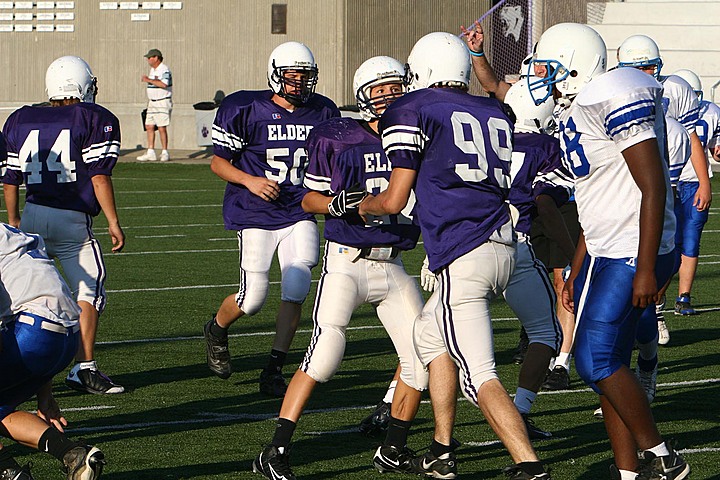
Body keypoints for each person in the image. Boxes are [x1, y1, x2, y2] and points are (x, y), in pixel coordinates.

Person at [361, 32, 551, 480]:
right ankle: (439, 449)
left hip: (463, 254)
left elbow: (393, 200)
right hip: (508, 243)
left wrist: (358, 204)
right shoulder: (494, 109)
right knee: (428, 339)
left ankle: (529, 466)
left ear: (422, 70)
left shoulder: (413, 109)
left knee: (479, 375)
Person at [252, 55, 428, 480]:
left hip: (394, 264)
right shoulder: (339, 137)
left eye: (395, 87)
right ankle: (275, 448)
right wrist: (343, 203)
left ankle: (392, 447)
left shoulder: (420, 138)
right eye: (379, 89)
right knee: (325, 356)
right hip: (347, 261)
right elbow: (310, 200)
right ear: (362, 95)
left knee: (422, 357)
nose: (388, 96)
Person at [530, 22, 689, 480]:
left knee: (593, 358)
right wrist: (578, 266)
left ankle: (662, 457)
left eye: (550, 67)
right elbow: (599, 196)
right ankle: (628, 472)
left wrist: (645, 268)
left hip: (631, 249)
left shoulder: (614, 91)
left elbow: (653, 185)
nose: (544, 76)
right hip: (608, 246)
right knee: (611, 365)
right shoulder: (581, 107)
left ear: (575, 66)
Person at [204, 41, 340, 397]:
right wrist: (250, 180)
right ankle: (217, 329)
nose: (299, 84)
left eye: (305, 76)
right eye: (292, 76)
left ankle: (274, 368)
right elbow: (218, 161)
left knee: (296, 287)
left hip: (299, 209)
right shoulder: (246, 107)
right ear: (275, 75)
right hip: (255, 210)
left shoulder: (323, 111)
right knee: (253, 299)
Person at [462, 21, 579, 391]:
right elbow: (494, 85)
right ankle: (540, 348)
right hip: (537, 203)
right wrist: (478, 53)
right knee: (548, 281)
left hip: (538, 206)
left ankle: (558, 358)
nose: (538, 73)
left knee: (559, 278)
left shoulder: (571, 99)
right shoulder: (530, 109)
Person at [2, 55, 126, 396]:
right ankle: (84, 368)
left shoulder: (20, 119)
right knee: (90, 287)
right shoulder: (91, 117)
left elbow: (10, 180)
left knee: (24, 298)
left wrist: (15, 221)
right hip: (72, 221)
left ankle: (19, 369)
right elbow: (99, 176)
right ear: (82, 84)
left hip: (32, 215)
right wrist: (114, 222)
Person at [0, 222, 106, 480]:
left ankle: (7, 471)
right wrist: (44, 396)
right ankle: (73, 454)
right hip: (66, 338)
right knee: (1, 409)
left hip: (32, 332)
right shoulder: (11, 235)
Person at [670, 69, 720, 317]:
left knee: (691, 240)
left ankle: (683, 297)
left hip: (695, 184)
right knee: (668, 242)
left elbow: (714, 148)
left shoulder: (711, 112)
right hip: (669, 182)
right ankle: (655, 304)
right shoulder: (665, 109)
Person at [137, 48, 173, 162]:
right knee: (149, 126)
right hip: (152, 102)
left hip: (162, 101)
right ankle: (150, 151)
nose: (148, 60)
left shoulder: (164, 69)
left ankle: (164, 152)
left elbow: (164, 84)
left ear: (156, 58)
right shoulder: (153, 70)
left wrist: (149, 80)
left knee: (162, 127)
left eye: (150, 58)